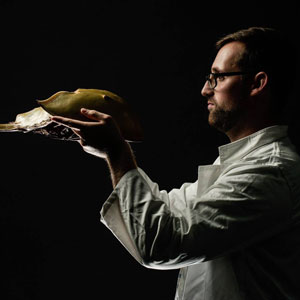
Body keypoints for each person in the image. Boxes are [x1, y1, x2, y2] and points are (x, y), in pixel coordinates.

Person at [52, 27, 300, 299]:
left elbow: (162, 244)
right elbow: (167, 212)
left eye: (218, 77)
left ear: (257, 83)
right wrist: (109, 150)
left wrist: (117, 152)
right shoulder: (239, 164)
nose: (206, 89)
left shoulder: (269, 171)